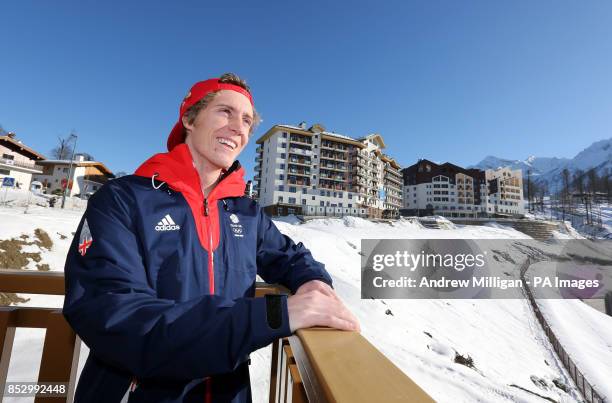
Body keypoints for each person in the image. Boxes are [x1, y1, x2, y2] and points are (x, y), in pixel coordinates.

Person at [62, 73, 360, 403]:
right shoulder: (123, 199)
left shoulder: (245, 212)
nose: (239, 128)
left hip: (227, 393)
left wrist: (313, 282)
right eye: (225, 112)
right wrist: (276, 315)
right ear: (189, 119)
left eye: (247, 120)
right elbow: (117, 316)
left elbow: (289, 256)